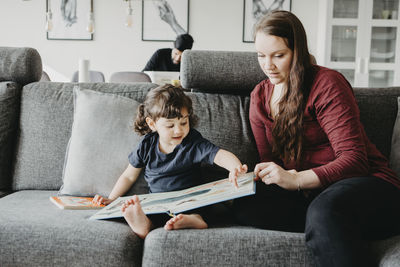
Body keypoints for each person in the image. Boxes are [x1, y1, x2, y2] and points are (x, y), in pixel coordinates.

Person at [231, 10, 400, 267]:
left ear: (297, 51)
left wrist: (297, 179)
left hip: (368, 185)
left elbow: (355, 160)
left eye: (279, 55)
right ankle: (329, 226)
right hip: (313, 195)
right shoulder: (259, 97)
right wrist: (255, 175)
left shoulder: (326, 83)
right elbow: (271, 163)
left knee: (325, 211)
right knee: (245, 203)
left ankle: (327, 223)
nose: (268, 65)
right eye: (261, 56)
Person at [93, 84, 247, 239]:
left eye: (183, 123)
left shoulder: (193, 142)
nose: (178, 130)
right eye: (170, 125)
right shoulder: (147, 146)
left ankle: (195, 220)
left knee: (201, 210)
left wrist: (235, 167)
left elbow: (219, 155)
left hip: (191, 202)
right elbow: (129, 176)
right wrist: (112, 199)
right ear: (152, 124)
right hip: (159, 203)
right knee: (153, 213)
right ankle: (145, 225)